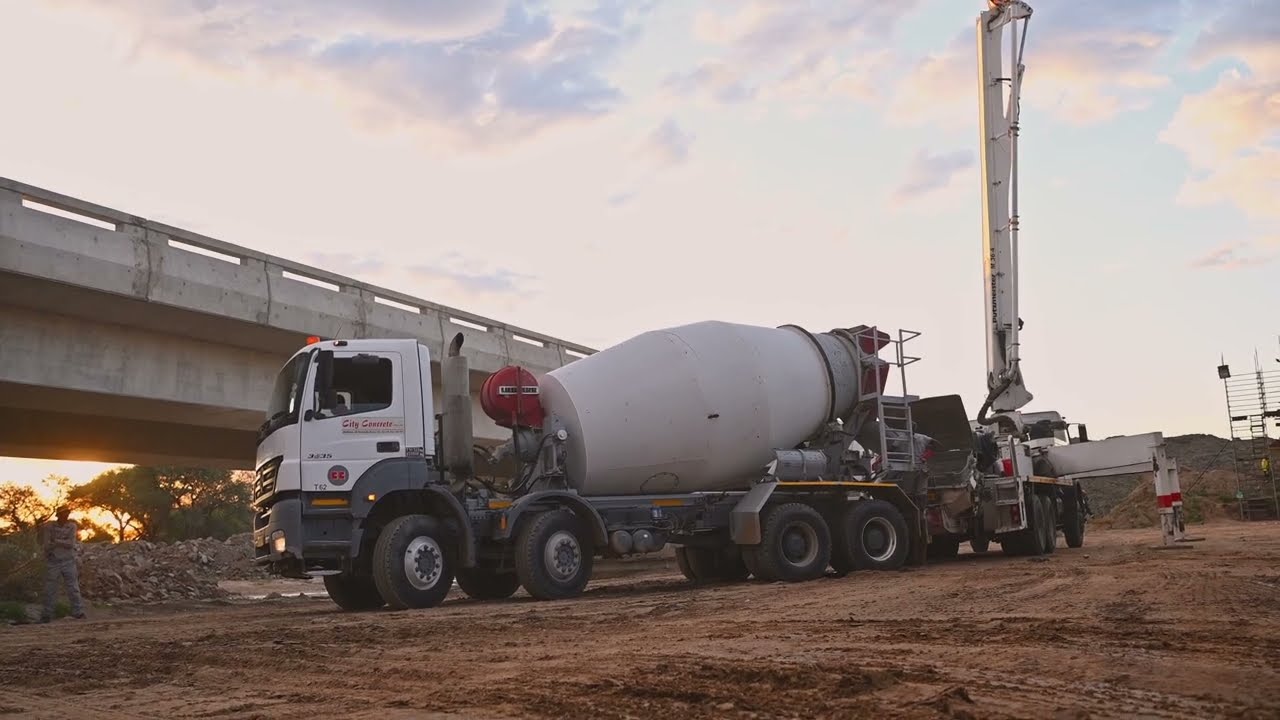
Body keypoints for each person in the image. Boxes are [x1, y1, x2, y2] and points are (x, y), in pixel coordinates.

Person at [41, 506, 86, 623]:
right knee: (50, 588)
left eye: (67, 513)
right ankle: (47, 614)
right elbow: (46, 545)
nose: (65, 515)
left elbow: (71, 543)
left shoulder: (72, 526)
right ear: (58, 515)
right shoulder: (49, 526)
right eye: (63, 513)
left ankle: (78, 612)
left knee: (73, 588)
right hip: (53, 560)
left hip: (68, 560)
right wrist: (61, 542)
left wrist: (56, 542)